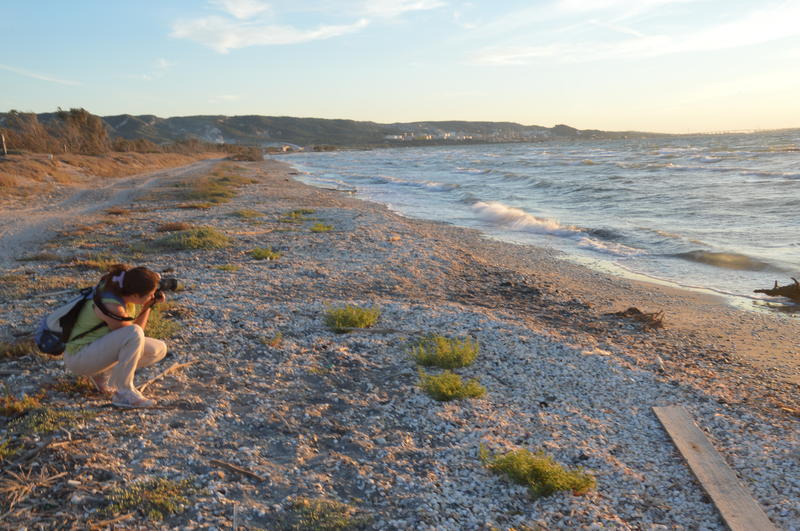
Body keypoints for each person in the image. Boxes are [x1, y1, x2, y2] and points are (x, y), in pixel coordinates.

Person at [63, 265, 168, 408]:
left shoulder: (119, 289)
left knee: (158, 349)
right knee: (134, 333)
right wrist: (147, 307)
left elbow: (134, 337)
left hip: (95, 348)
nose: (152, 296)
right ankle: (124, 392)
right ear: (136, 295)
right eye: (150, 294)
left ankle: (102, 375)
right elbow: (134, 335)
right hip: (79, 357)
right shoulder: (112, 306)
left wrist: (148, 306)